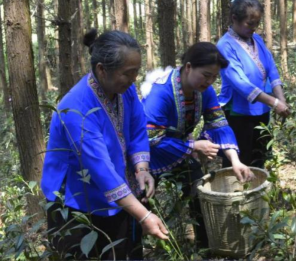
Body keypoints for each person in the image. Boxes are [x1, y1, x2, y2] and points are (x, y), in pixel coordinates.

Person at [42, 29, 168, 259]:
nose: (133, 80)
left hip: (117, 195)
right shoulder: (77, 108)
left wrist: (141, 170)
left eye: (136, 73)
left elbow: (138, 128)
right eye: (128, 73)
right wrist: (145, 216)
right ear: (102, 69)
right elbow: (100, 170)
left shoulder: (124, 90)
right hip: (75, 202)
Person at [141, 42, 255, 249]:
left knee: (198, 193)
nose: (210, 81)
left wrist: (235, 160)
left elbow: (219, 124)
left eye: (214, 77)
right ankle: (152, 246)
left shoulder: (205, 91)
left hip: (181, 149)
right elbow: (151, 139)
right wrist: (194, 146)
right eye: (206, 75)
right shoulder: (161, 93)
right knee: (143, 199)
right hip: (149, 154)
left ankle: (205, 247)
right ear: (188, 67)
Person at [217, 0, 290, 169]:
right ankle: (235, 194)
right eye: (250, 24)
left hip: (262, 110)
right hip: (239, 113)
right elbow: (240, 83)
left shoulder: (256, 39)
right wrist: (274, 102)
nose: (254, 28)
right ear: (234, 18)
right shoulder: (224, 46)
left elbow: (271, 69)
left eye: (257, 24)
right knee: (239, 159)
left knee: (259, 157)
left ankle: (256, 192)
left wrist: (281, 99)